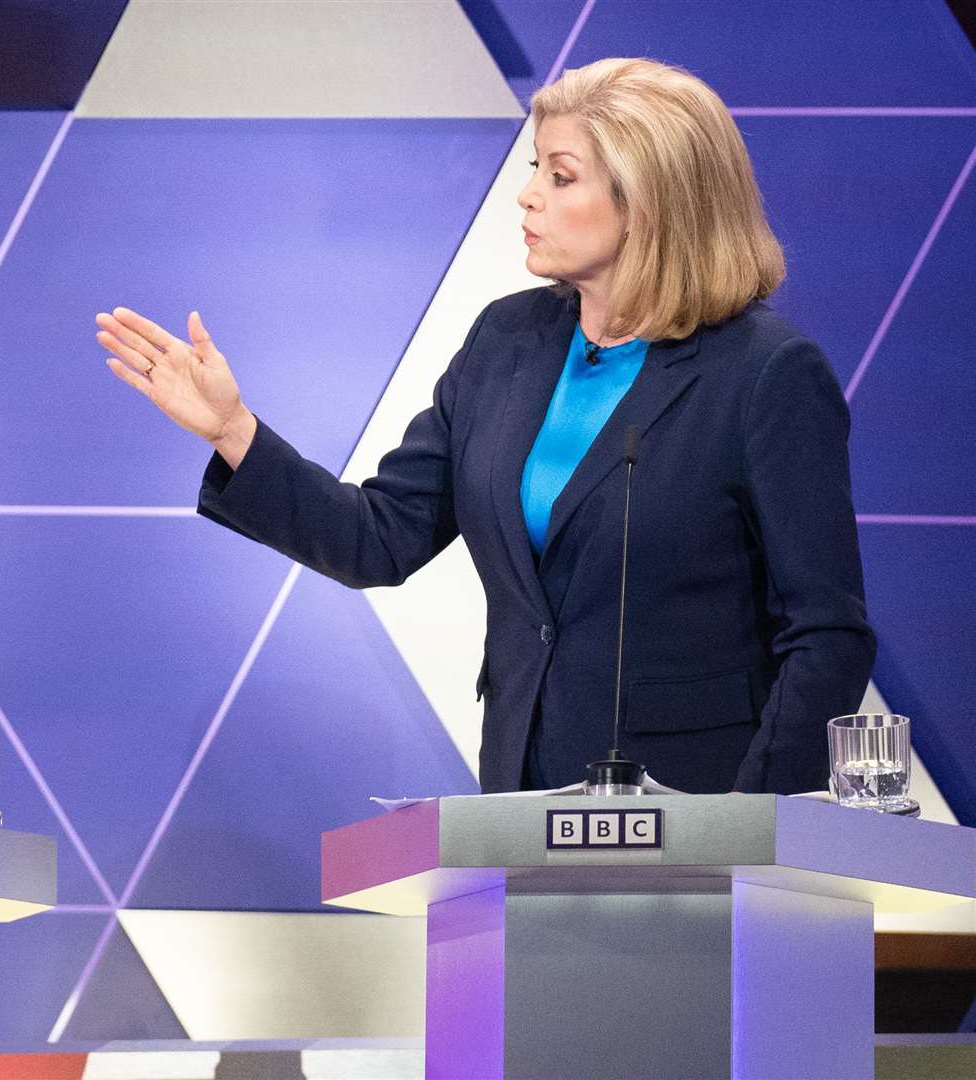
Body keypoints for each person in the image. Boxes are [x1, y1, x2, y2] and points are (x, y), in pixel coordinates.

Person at [96, 58, 874, 795]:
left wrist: (753, 825)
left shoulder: (763, 373)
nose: (527, 195)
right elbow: (378, 538)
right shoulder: (508, 341)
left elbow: (826, 634)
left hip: (699, 815)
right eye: (536, 167)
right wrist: (234, 430)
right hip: (522, 803)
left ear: (650, 203)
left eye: (560, 175)